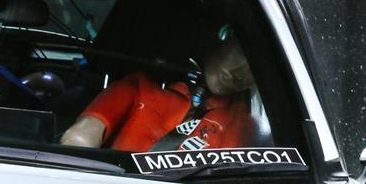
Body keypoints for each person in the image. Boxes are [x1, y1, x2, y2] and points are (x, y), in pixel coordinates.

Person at [60, 30, 264, 152]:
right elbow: (79, 138)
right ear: (224, 37)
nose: (242, 71)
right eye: (243, 53)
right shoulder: (138, 86)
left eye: (258, 66)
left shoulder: (245, 124)